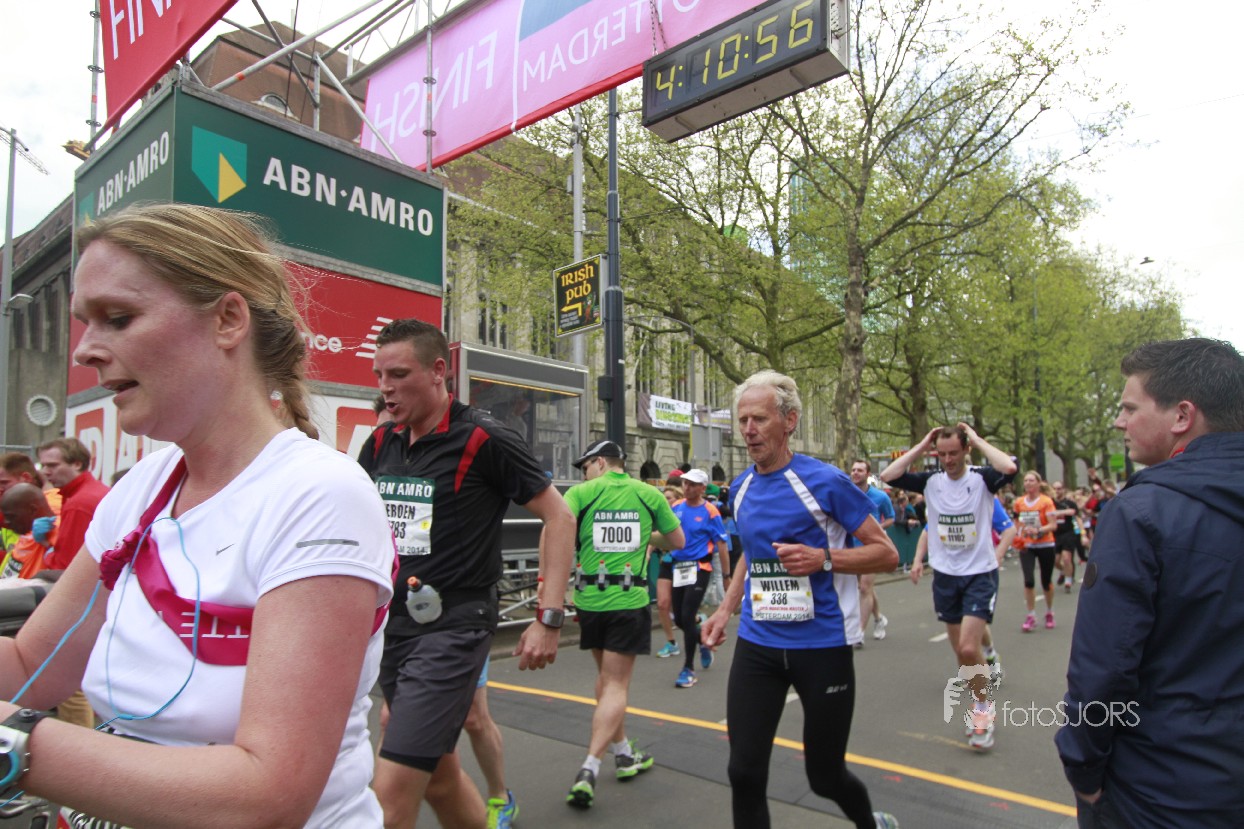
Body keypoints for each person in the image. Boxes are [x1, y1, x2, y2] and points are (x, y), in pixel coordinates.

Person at [0, 203, 395, 825]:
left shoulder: (319, 495)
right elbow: (31, 669)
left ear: (228, 319)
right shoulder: (142, 488)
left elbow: (266, 795)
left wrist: (15, 750)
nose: (85, 352)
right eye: (84, 323)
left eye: (118, 318)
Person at [359, 317, 575, 829]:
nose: (386, 388)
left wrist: (548, 615)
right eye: (379, 375)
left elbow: (560, 517)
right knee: (438, 778)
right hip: (394, 628)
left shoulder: (484, 437)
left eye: (398, 374)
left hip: (454, 627)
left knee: (389, 801)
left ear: (438, 371)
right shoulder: (381, 443)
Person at [1056, 338, 1244, 829]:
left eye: (1130, 408)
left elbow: (1104, 671)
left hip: (1160, 789)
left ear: (1182, 415)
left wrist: (1083, 770)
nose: (1119, 422)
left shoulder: (1142, 512)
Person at [702, 370, 899, 829]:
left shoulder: (825, 482)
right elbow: (753, 554)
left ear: (789, 421)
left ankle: (871, 823)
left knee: (825, 777)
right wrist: (725, 609)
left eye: (759, 419)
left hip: (822, 647)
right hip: (759, 644)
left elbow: (886, 554)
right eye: (742, 420)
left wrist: (823, 559)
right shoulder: (741, 488)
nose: (748, 429)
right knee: (743, 772)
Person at [562, 439, 684, 808]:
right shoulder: (648, 494)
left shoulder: (579, 495)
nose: (584, 474)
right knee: (615, 684)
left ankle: (624, 752)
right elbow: (677, 540)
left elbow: (557, 534)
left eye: (585, 466)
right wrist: (646, 536)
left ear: (600, 462)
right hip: (629, 600)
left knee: (606, 680)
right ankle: (590, 766)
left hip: (590, 601)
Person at [881, 423, 1016, 751]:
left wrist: (978, 439)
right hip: (945, 575)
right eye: (941, 454)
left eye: (954, 453)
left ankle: (982, 710)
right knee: (961, 652)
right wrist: (922, 444)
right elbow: (888, 475)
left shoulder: (983, 479)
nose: (948, 460)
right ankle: (980, 695)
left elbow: (1009, 467)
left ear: (966, 450)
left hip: (979, 573)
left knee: (969, 647)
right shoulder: (931, 481)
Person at [659, 468, 728, 688]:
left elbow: (722, 544)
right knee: (680, 619)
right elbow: (665, 533)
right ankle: (703, 642)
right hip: (678, 568)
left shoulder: (710, 511)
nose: (687, 488)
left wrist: (726, 575)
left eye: (692, 484)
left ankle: (688, 669)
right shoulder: (676, 507)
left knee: (688, 616)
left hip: (700, 568)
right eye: (685, 483)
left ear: (702, 488)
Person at [35, 438, 109, 571]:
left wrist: (48, 552)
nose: (45, 472)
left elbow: (66, 565)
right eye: (43, 466)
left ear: (77, 464)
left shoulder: (79, 503)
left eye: (52, 465)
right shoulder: (90, 491)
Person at [849, 460, 895, 642]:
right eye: (853, 470)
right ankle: (878, 618)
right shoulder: (846, 493)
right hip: (851, 547)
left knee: (865, 587)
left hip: (872, 547)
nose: (855, 473)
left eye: (860, 470)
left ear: (868, 474)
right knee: (864, 588)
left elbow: (891, 518)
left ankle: (859, 631)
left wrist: (877, 529)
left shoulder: (880, 496)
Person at [1012, 471, 1059, 632]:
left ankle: (1049, 611)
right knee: (1029, 580)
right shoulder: (1019, 502)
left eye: (1031, 480)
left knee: (1046, 581)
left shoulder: (1046, 502)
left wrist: (1038, 530)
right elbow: (1016, 522)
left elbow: (1053, 525)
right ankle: (1031, 615)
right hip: (1027, 545)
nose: (1028, 483)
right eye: (1026, 480)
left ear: (1038, 483)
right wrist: (1017, 535)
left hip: (1045, 544)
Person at [651, 486, 683, 657]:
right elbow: (654, 535)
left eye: (669, 498)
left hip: (684, 564)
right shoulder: (661, 516)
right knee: (663, 604)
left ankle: (698, 626)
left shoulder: (684, 513)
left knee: (682, 611)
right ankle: (671, 643)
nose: (666, 501)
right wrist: (648, 553)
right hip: (667, 562)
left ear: (678, 499)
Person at [1050, 481, 1083, 591]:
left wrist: (1083, 533)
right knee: (1055, 561)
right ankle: (1064, 571)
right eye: (1055, 488)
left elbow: (1076, 515)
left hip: (1068, 533)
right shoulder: (1050, 502)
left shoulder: (1070, 503)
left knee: (1066, 558)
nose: (1057, 491)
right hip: (1055, 534)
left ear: (1063, 489)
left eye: (1059, 488)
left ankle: (1068, 581)